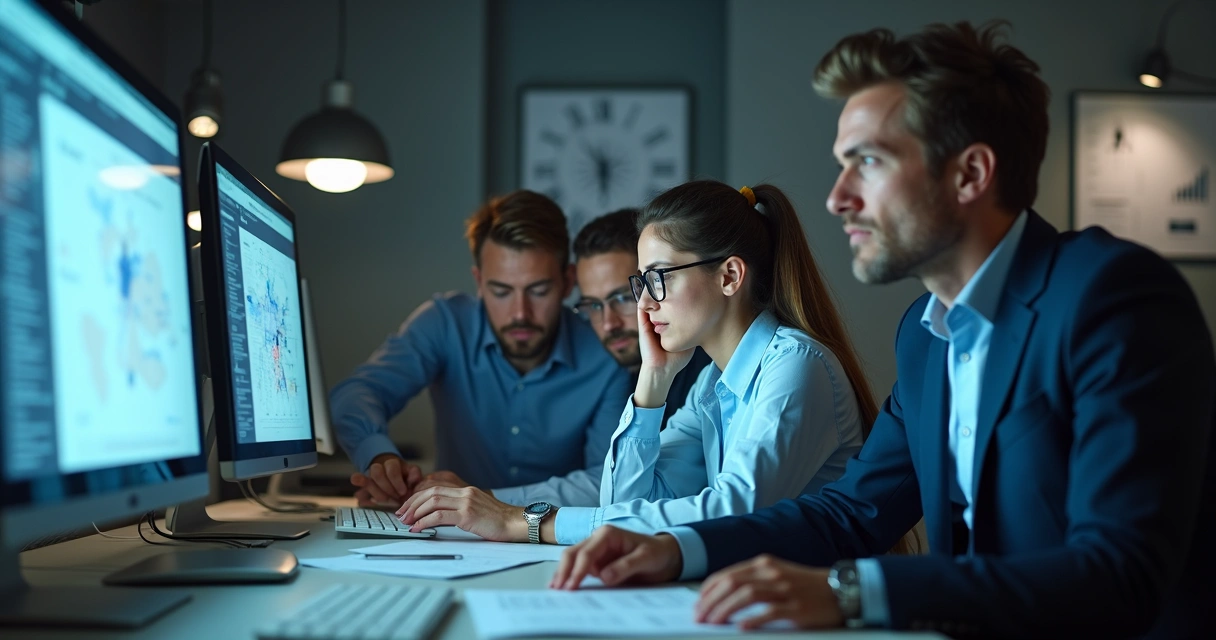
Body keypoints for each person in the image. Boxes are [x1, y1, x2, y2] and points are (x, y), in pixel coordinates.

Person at [549, 21, 1215, 639]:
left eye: (867, 161)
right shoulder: (925, 338)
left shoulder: (1111, 296)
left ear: (970, 174)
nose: (838, 196)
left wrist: (850, 590)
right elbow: (852, 512)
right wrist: (674, 548)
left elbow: (1118, 573)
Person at [396, 180, 889, 548]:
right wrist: (652, 385)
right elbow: (624, 506)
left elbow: (730, 514)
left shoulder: (794, 367)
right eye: (643, 284)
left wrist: (523, 521)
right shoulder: (711, 385)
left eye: (658, 279)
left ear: (730, 275)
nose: (643, 307)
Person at [330, 190, 631, 508]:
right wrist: (379, 456)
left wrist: (485, 502)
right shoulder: (445, 324)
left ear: (568, 281)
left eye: (539, 290)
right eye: (501, 291)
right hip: (447, 535)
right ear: (479, 281)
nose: (520, 313)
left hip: (552, 539)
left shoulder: (605, 354)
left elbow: (607, 480)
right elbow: (357, 392)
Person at [570, 208, 712, 428]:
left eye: (623, 298)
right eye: (594, 305)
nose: (609, 324)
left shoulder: (712, 372)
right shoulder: (597, 375)